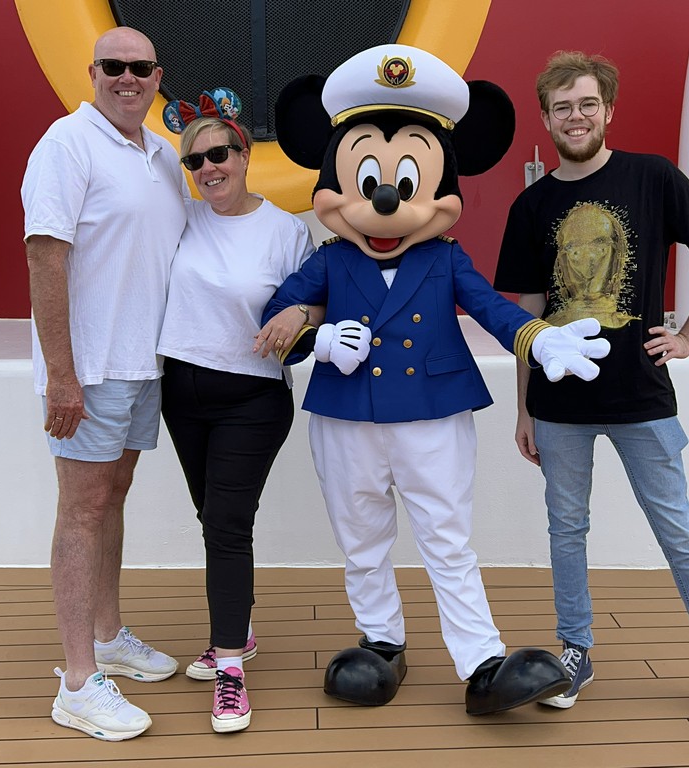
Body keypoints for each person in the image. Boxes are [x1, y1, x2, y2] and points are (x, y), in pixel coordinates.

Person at [264, 44, 610, 716]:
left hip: (431, 413)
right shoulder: (330, 260)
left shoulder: (445, 259)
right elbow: (272, 315)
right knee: (360, 539)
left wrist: (542, 340)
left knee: (446, 541)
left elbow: (493, 308)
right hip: (348, 414)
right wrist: (319, 337)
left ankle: (480, 659)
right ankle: (381, 642)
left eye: (408, 180)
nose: (387, 200)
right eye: (366, 177)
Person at [493, 50, 689, 737]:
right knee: (565, 532)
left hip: (641, 396)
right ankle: (575, 652)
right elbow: (526, 309)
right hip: (557, 407)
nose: (574, 116)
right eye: (561, 106)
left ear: (607, 109)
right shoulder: (532, 203)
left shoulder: (652, 177)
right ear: (545, 116)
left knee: (678, 535)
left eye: (586, 103)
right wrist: (523, 405)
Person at [21, 27, 187, 741]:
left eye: (139, 68)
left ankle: (110, 635)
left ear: (157, 77)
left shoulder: (160, 152)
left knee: (113, 495)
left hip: (140, 363)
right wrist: (63, 375)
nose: (127, 78)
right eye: (113, 67)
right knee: (82, 509)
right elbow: (44, 258)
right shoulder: (66, 144)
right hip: (88, 370)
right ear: (92, 73)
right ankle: (79, 682)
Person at [156, 91, 318, 734]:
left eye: (218, 154)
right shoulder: (180, 220)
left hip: (252, 397)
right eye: (195, 161)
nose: (207, 169)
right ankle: (239, 627)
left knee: (226, 524)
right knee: (211, 516)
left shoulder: (286, 229)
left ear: (245, 155)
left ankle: (229, 669)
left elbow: (320, 301)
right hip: (182, 391)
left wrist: (300, 313)